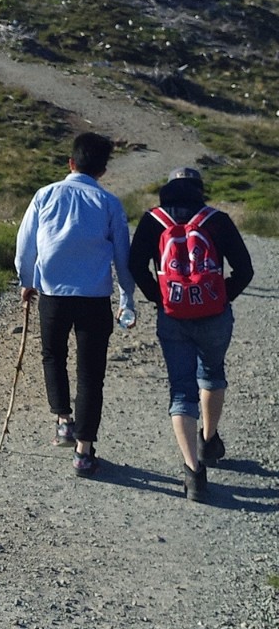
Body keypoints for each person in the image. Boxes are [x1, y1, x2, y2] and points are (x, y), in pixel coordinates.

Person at [128, 166, 253, 502]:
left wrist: (160, 297)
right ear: (199, 189)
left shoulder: (153, 220)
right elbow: (246, 269)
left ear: (167, 190)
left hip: (172, 316)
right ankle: (209, 440)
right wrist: (222, 296)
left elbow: (135, 265)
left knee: (181, 390)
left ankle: (193, 472)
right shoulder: (218, 219)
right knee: (212, 373)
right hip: (214, 314)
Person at [15, 131, 135, 477]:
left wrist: (27, 282)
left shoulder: (45, 195)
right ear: (103, 170)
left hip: (52, 293)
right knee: (91, 373)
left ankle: (63, 420)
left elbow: (25, 246)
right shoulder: (110, 204)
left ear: (71, 163)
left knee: (53, 355)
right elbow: (122, 259)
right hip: (94, 297)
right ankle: (84, 451)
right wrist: (127, 298)